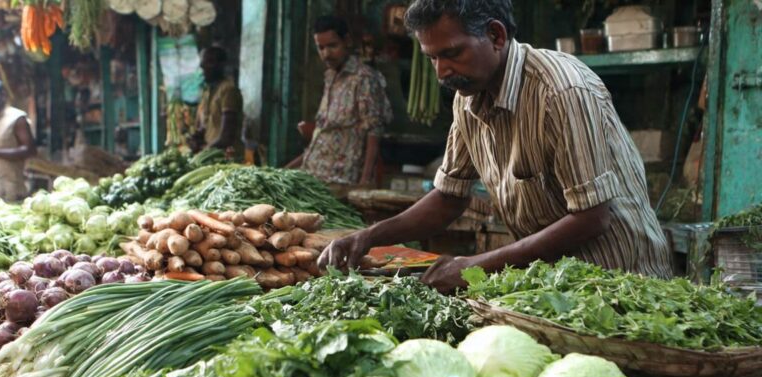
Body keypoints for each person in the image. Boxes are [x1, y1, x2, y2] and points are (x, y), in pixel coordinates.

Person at [319, 0, 672, 293]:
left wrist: (477, 265)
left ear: (496, 35)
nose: (441, 71)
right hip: (552, 285)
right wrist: (368, 237)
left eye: (452, 53)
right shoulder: (468, 96)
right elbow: (448, 197)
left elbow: (592, 217)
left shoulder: (562, 92)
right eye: (432, 58)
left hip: (620, 282)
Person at [286, 15, 393, 186]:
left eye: (332, 46)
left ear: (347, 41)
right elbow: (322, 135)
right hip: (313, 174)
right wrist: (283, 171)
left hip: (341, 180)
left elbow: (374, 132)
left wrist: (364, 182)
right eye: (320, 48)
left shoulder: (363, 78)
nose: (326, 54)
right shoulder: (330, 77)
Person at [188, 46, 244, 160]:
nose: (203, 68)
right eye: (202, 64)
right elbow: (210, 125)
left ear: (221, 65)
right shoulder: (209, 91)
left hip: (226, 157)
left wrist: (203, 153)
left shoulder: (228, 90)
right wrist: (197, 137)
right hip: (212, 155)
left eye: (208, 63)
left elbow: (226, 136)